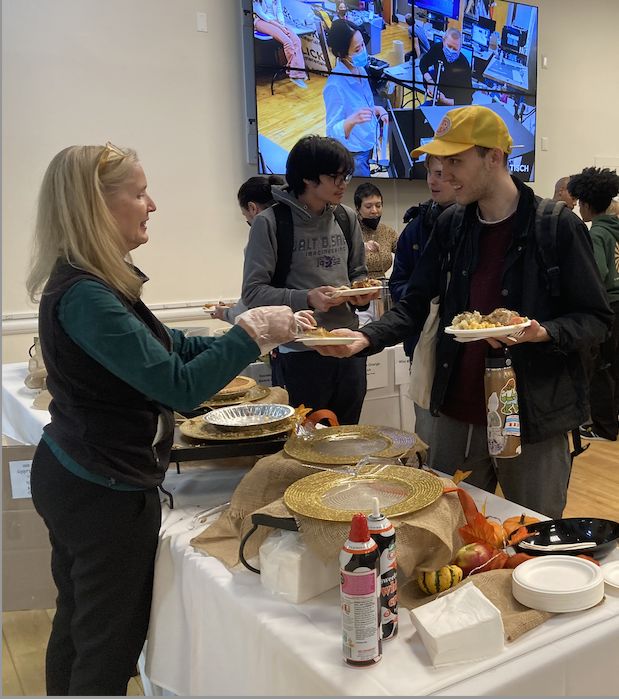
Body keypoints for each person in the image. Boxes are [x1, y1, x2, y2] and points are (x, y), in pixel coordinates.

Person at [24, 144, 303, 695]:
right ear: (95, 207)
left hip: (79, 476)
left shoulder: (95, 282)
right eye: (138, 193)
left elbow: (166, 345)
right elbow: (177, 386)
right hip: (100, 489)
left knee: (81, 625)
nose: (151, 205)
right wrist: (249, 336)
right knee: (108, 643)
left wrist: (236, 333)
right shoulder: (87, 296)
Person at [312, 106, 612, 519]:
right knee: (451, 534)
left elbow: (596, 318)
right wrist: (366, 338)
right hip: (456, 414)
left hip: (533, 417)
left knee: (532, 537)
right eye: (440, 161)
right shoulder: (452, 225)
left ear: (495, 157)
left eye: (456, 161)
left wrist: (543, 332)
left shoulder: (555, 226)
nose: (445, 173)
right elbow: (416, 303)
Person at [241, 135, 380, 422]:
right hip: (298, 353)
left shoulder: (346, 217)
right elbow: (253, 293)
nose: (344, 184)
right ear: (306, 179)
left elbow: (357, 273)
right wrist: (306, 297)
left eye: (346, 176)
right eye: (335, 177)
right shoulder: (271, 222)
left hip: (348, 345)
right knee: (304, 444)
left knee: (347, 439)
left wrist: (360, 293)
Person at [568, 168, 619, 442]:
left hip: (606, 306)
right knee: (616, 364)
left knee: (601, 366)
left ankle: (603, 427)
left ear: (585, 203)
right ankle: (611, 421)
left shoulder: (596, 233)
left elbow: (598, 272)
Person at [390, 155, 458, 361]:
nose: (431, 181)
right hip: (421, 345)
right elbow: (397, 282)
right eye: (429, 173)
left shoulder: (479, 223)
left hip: (465, 346)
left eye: (439, 174)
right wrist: (424, 297)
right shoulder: (414, 228)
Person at [211, 174, 284, 324]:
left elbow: (254, 296)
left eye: (246, 217)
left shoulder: (261, 237)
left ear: (252, 208)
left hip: (280, 327)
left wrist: (226, 314)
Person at [324, 19, 389, 178]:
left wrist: (375, 109)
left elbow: (359, 103)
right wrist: (352, 120)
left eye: (363, 45)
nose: (363, 52)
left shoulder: (359, 68)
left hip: (368, 142)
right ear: (342, 53)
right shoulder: (335, 86)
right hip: (355, 153)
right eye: (357, 48)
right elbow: (332, 132)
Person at [251, 0, 308, 89]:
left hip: (277, 20)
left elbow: (279, 10)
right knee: (288, 42)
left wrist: (281, 23)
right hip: (261, 21)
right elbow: (260, 13)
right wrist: (278, 25)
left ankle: (295, 72)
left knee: (296, 40)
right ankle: (295, 74)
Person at [419, 27, 474, 106]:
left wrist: (445, 100)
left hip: (453, 106)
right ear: (444, 40)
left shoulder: (464, 65)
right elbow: (423, 63)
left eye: (455, 49)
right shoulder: (437, 48)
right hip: (436, 100)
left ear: (460, 47)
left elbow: (467, 100)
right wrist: (429, 82)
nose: (451, 51)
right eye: (449, 46)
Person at [353, 182, 397, 279]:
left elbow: (406, 252)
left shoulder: (387, 232)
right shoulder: (350, 231)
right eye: (368, 207)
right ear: (357, 208)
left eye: (378, 206)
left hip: (382, 287)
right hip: (356, 285)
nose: (374, 211)